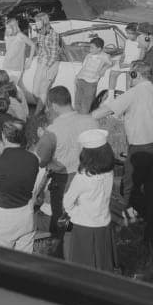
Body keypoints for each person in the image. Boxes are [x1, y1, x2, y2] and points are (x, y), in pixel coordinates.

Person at [92, 60, 153, 244]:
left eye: (130, 75)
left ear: (136, 75)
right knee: (152, 188)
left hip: (141, 147)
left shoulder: (133, 93)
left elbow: (107, 110)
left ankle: (131, 225)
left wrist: (85, 118)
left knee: (129, 188)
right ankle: (152, 230)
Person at [34, 86, 100, 249]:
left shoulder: (52, 131)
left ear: (54, 105)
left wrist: (42, 139)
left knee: (55, 218)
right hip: (89, 179)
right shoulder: (91, 121)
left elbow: (41, 161)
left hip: (63, 182)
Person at [60, 128, 118, 273]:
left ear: (86, 155)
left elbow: (67, 202)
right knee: (103, 260)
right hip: (104, 223)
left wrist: (75, 213)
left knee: (83, 266)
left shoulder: (83, 177)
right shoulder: (109, 172)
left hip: (84, 226)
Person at [0, 119, 40, 253]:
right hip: (26, 215)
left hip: (3, 219)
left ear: (4, 137)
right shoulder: (33, 159)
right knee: (23, 263)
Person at [29, 13, 65, 117]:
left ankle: (36, 114)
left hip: (52, 63)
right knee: (35, 91)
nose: (35, 23)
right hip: (42, 61)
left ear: (44, 21)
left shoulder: (54, 34)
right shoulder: (39, 32)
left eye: (37, 21)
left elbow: (54, 55)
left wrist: (46, 68)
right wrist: (39, 59)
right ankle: (46, 108)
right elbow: (40, 47)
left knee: (44, 88)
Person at [74, 37, 112, 115]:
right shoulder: (88, 55)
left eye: (92, 47)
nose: (90, 49)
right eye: (90, 47)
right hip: (81, 79)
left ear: (99, 49)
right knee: (77, 100)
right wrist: (77, 77)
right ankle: (77, 116)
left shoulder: (104, 56)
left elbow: (110, 63)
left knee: (87, 102)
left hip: (91, 83)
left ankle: (84, 118)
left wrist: (104, 69)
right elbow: (84, 67)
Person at [2, 17, 34, 90]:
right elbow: (9, 50)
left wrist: (29, 60)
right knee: (6, 89)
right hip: (6, 65)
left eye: (9, 28)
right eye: (6, 28)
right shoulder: (7, 36)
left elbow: (33, 45)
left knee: (10, 89)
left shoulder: (20, 36)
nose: (7, 30)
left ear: (14, 27)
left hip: (16, 68)